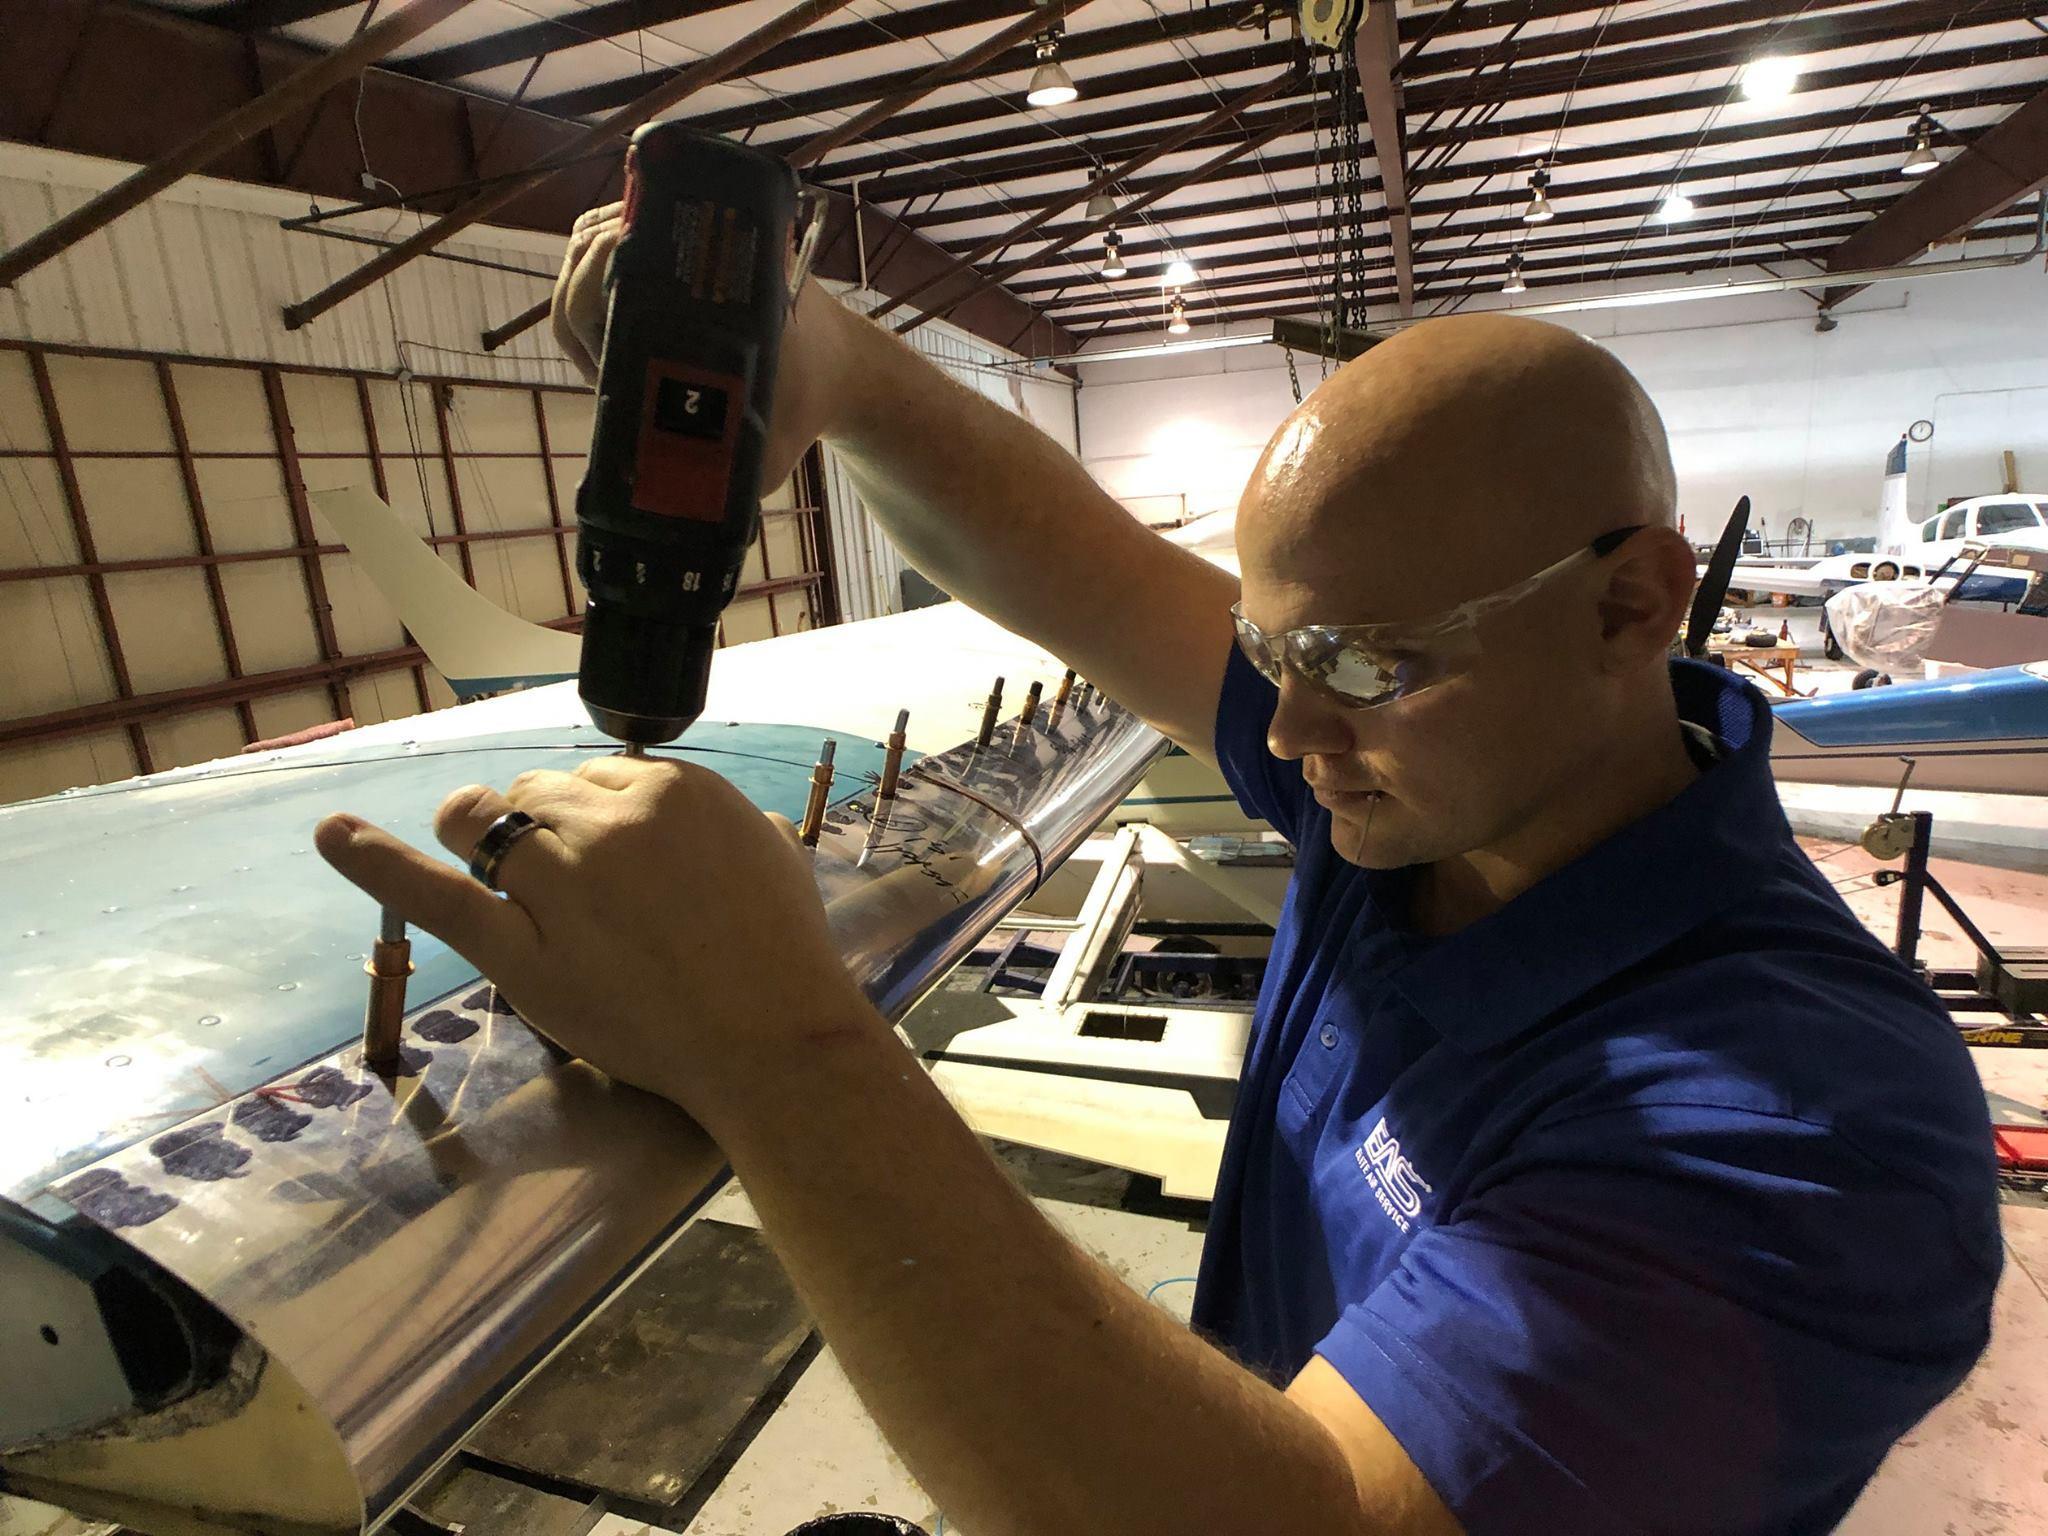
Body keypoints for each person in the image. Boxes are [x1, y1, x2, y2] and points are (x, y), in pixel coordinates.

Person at [315, 207, 2000, 1536]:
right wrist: (839, 368)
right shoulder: (1428, 791)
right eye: (1271, 651)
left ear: (1631, 605)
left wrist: (778, 1048)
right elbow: (1084, 569)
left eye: (1362, 658)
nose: (1289, 725)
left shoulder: (1814, 1136)